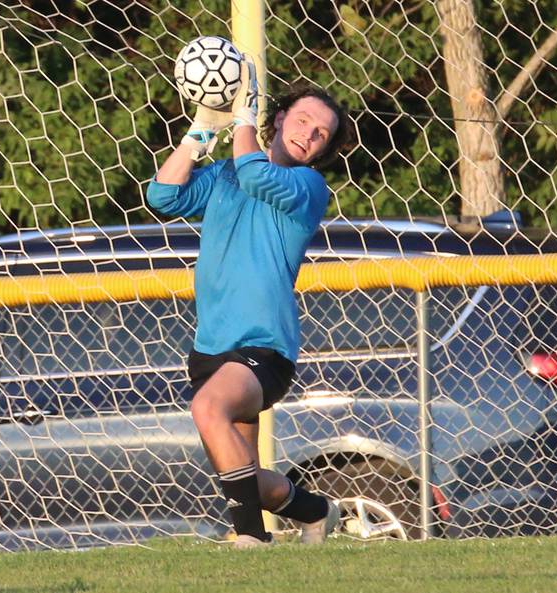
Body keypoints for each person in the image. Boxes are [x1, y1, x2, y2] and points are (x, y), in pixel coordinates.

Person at [146, 58, 352, 548]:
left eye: (321, 133)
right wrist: (200, 130)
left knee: (208, 410)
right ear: (279, 118)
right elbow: (163, 195)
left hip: (265, 347)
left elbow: (256, 174)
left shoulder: (307, 187)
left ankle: (252, 540)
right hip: (211, 345)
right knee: (241, 469)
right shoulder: (224, 176)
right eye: (303, 120)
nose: (310, 134)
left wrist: (244, 117)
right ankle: (317, 511)